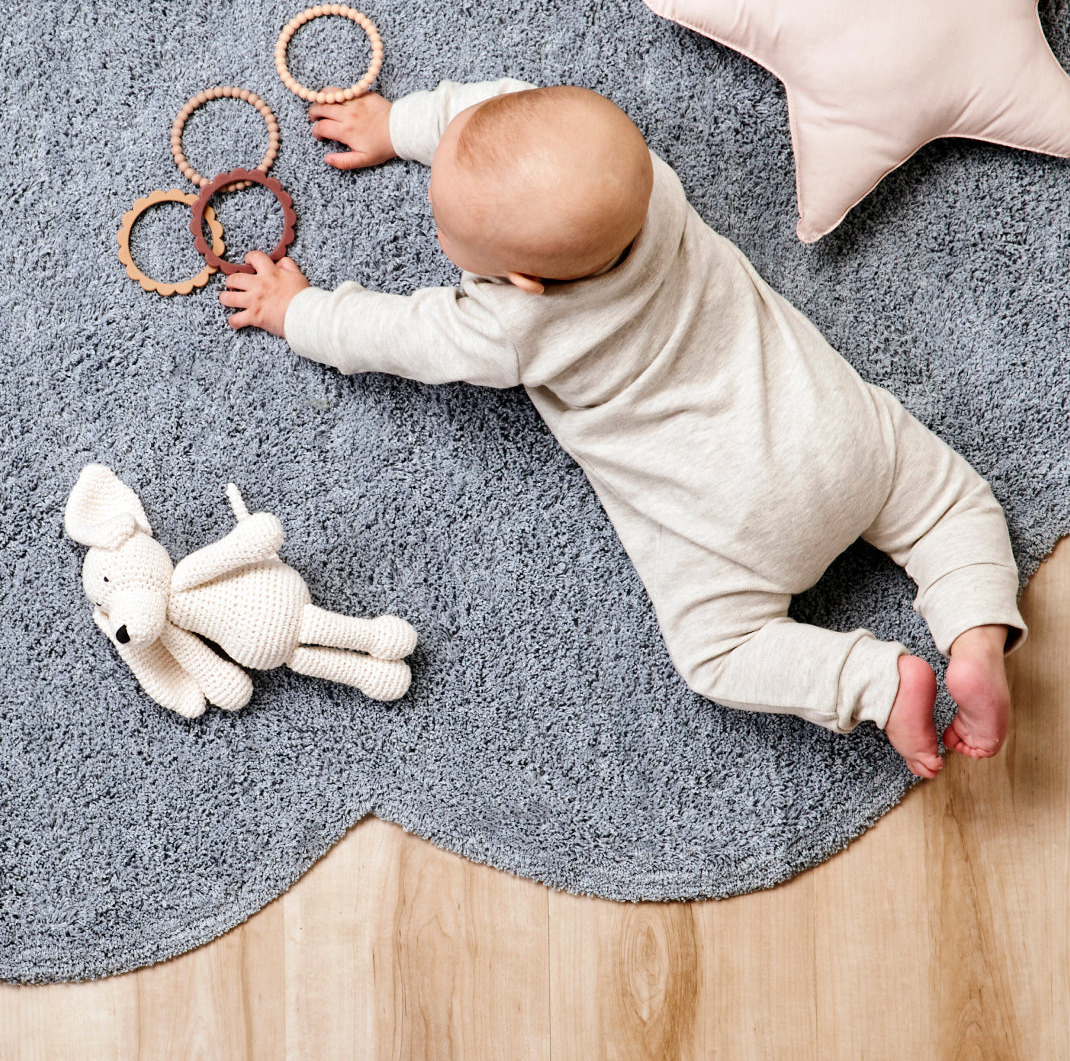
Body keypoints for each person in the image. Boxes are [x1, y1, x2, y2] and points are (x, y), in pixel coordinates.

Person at [219, 76, 1027, 777]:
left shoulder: (505, 325)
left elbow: (388, 338)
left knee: (719, 653)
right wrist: (402, 124)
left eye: (445, 231)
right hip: (834, 436)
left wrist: (298, 309)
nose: (438, 233)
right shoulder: (647, 187)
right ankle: (977, 636)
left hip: (732, 526)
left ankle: (877, 683)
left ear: (522, 282)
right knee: (950, 505)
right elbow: (503, 109)